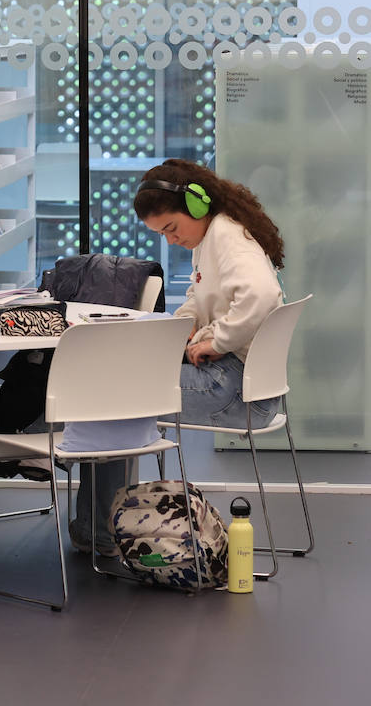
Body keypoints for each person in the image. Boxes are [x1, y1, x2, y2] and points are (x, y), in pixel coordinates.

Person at [68, 158, 286, 555]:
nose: (169, 240)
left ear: (197, 206)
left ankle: (98, 530)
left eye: (171, 228)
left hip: (234, 388)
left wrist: (217, 341)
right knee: (117, 393)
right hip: (240, 383)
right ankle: (97, 526)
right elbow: (201, 296)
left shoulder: (225, 237)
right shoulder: (218, 234)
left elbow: (262, 296)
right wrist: (182, 325)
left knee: (111, 397)